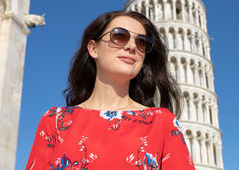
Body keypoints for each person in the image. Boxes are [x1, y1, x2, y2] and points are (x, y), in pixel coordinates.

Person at [26, 10, 195, 170]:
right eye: (119, 36)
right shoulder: (55, 121)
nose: (132, 46)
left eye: (142, 42)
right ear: (93, 48)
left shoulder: (161, 123)